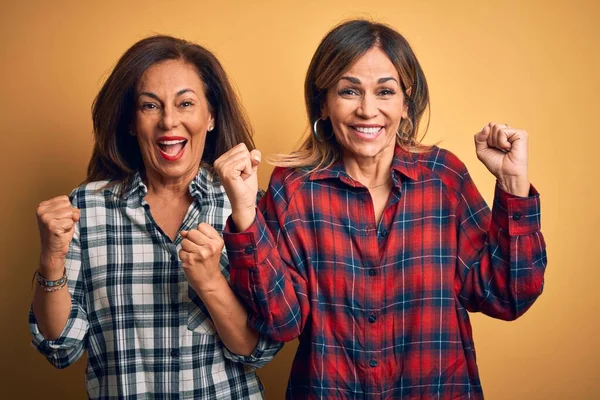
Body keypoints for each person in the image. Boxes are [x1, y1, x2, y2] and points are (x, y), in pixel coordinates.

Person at [216, 20, 547, 399]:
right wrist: (244, 214)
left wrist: (513, 184)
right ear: (323, 102)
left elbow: (507, 296)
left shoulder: (444, 178)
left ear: (407, 103)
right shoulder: (294, 189)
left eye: (385, 91)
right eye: (349, 91)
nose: (367, 110)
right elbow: (281, 322)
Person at [29, 35, 281, 399]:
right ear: (131, 121)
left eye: (186, 103)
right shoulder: (87, 206)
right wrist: (51, 258)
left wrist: (210, 281)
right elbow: (60, 347)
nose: (169, 121)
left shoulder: (244, 206)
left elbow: (256, 352)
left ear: (210, 116)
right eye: (150, 106)